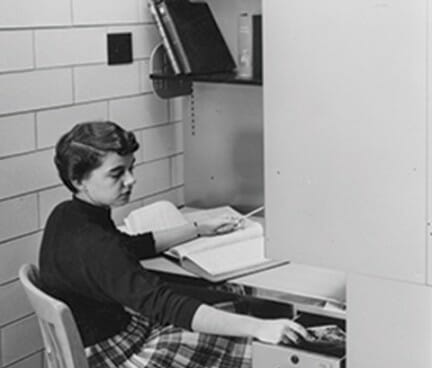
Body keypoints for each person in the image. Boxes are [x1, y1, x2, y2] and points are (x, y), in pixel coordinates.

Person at [38, 121, 307, 368]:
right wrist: (259, 328)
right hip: (114, 358)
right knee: (247, 347)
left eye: (131, 169)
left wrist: (197, 229)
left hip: (102, 342)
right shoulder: (96, 246)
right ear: (79, 180)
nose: (131, 180)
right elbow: (165, 304)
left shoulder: (67, 215)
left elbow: (131, 246)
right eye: (117, 174)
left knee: (222, 306)